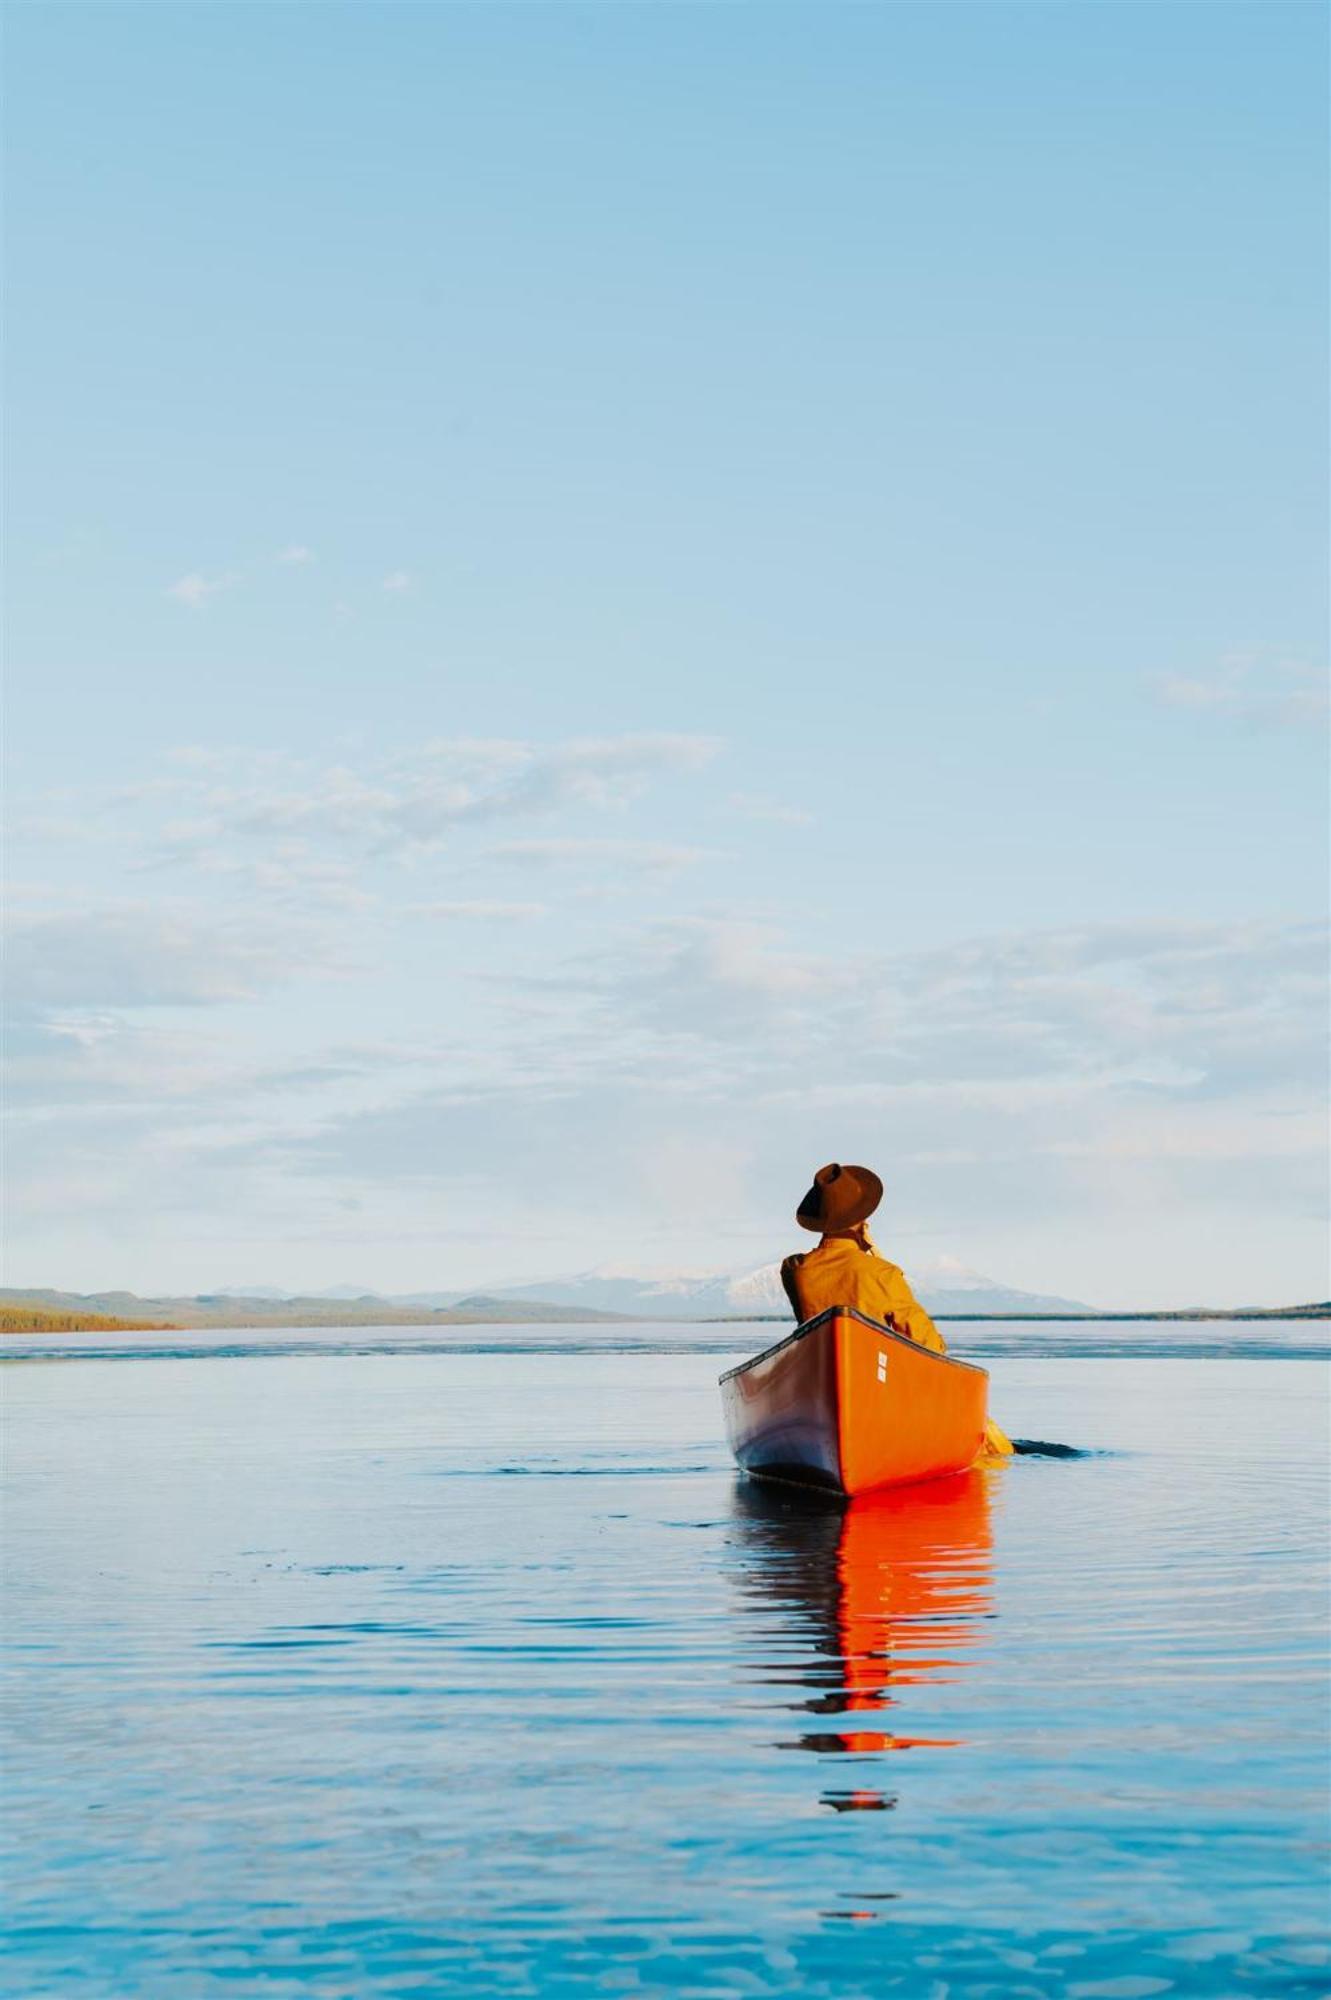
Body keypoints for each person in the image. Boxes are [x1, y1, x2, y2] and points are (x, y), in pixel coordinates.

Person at [781, 1162, 1013, 1460]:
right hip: (878, 1391)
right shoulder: (881, 1273)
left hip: (817, 1391)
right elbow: (933, 1347)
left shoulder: (794, 1269)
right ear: (862, 1222)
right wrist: (874, 1254)